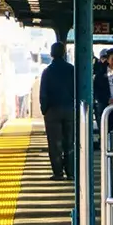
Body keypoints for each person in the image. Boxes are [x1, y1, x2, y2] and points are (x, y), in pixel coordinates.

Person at [38, 42, 76, 180]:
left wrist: (45, 110)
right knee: (70, 142)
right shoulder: (72, 70)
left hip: (52, 111)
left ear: (51, 54)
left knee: (55, 144)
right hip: (70, 110)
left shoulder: (47, 71)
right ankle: (71, 173)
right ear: (64, 53)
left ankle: (58, 173)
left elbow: (43, 94)